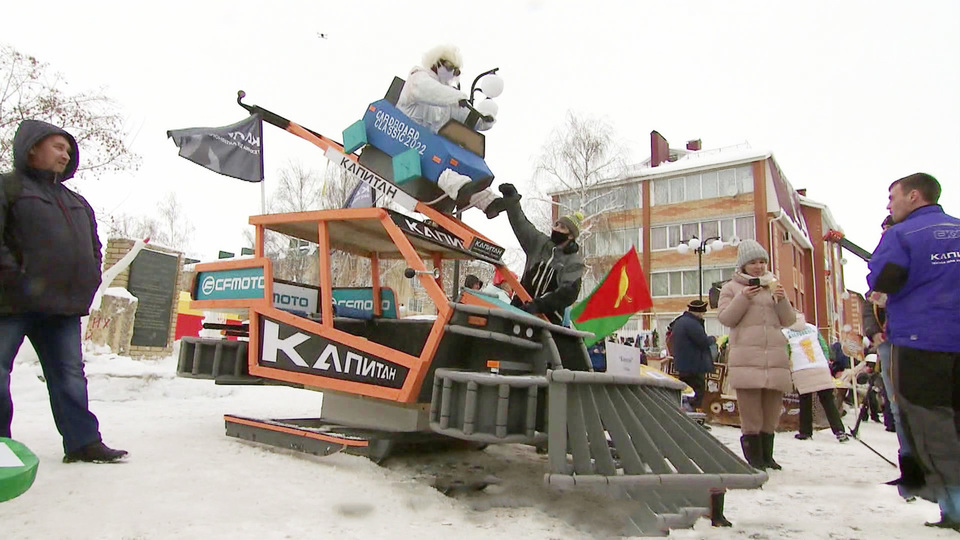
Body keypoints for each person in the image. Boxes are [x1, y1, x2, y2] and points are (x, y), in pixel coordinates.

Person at [0, 120, 127, 463]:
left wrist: (88, 279)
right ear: (31, 149)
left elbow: (94, 247)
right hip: (10, 303)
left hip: (62, 307)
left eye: (68, 150)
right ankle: (1, 450)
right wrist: (15, 278)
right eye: (58, 147)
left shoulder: (77, 201)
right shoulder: (7, 187)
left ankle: (83, 442)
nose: (65, 154)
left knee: (70, 375)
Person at [867, 172, 960, 530]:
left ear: (914, 196)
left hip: (923, 344)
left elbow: (883, 281)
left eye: (893, 197)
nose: (889, 204)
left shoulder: (902, 235)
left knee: (933, 427)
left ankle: (953, 506)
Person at [396, 45, 503, 218]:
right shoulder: (417, 77)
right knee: (438, 161)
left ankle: (487, 200)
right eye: (450, 68)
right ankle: (460, 188)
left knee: (454, 160)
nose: (453, 74)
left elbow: (465, 115)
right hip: (404, 141)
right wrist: (455, 97)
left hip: (431, 148)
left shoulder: (449, 96)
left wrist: (484, 120)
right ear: (436, 63)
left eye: (457, 72)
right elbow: (428, 90)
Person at [717, 239, 795, 471]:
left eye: (762, 262)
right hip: (747, 360)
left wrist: (781, 300)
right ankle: (754, 458)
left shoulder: (773, 286)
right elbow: (726, 319)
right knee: (751, 413)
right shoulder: (731, 288)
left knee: (771, 413)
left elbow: (789, 321)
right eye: (753, 262)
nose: (759, 267)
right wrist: (743, 298)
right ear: (743, 265)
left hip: (774, 359)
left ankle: (767, 455)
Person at [498, 183, 585, 325]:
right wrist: (512, 199)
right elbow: (522, 224)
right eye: (556, 225)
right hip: (519, 311)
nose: (556, 229)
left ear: (570, 236)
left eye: (562, 227)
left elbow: (567, 294)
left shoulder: (574, 262)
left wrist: (539, 305)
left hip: (547, 322)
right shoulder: (539, 243)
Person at [783, 311, 849, 443]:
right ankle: (839, 431)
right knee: (828, 401)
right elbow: (823, 346)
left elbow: (786, 352)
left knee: (805, 400)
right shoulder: (812, 328)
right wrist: (824, 362)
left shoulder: (785, 333)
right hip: (819, 366)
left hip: (800, 368)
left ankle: (805, 431)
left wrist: (788, 368)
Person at [670, 300, 716, 412]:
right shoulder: (692, 324)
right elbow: (702, 341)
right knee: (696, 392)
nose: (702, 315)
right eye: (702, 313)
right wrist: (713, 339)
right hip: (694, 365)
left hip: (684, 364)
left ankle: (688, 415)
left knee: (686, 392)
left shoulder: (681, 322)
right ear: (698, 312)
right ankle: (694, 416)